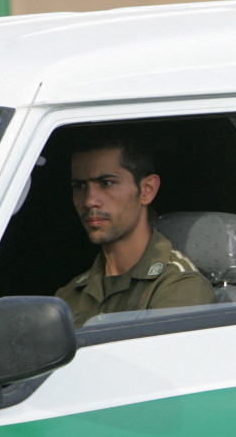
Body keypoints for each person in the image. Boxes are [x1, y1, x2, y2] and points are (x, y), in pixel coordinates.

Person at [55, 131, 215, 327]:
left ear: (147, 190)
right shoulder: (71, 294)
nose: (89, 201)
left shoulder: (179, 286)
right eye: (79, 186)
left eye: (106, 183)